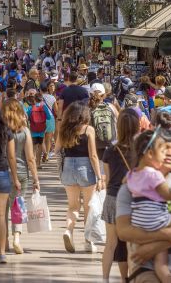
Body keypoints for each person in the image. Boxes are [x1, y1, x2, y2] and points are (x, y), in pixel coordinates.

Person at [116, 120, 171, 283]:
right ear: (151, 153)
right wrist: (167, 234)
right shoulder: (130, 187)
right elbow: (123, 231)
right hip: (142, 269)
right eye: (165, 149)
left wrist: (152, 247)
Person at [55, 101, 103, 253]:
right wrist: (99, 176)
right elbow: (93, 155)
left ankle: (68, 231)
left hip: (68, 167)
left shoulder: (64, 130)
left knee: (73, 206)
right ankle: (88, 242)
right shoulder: (88, 130)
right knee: (88, 206)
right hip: (86, 168)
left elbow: (56, 150)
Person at [101, 109, 139, 282]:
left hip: (112, 197)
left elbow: (108, 179)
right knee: (131, 244)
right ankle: (132, 278)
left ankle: (105, 279)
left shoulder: (110, 150)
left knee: (110, 244)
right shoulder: (141, 150)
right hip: (132, 200)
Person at [1, 98, 40, 255]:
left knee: (2, 209)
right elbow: (30, 157)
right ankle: (16, 238)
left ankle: (3, 241)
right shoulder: (24, 131)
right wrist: (36, 179)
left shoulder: (1, 130)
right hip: (22, 172)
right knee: (18, 206)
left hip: (2, 172)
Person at [25, 92, 53, 167]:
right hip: (42, 129)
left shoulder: (31, 107)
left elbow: (27, 117)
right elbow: (49, 117)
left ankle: (33, 163)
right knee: (40, 145)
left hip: (33, 129)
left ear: (34, 99)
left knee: (34, 146)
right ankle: (38, 163)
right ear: (41, 99)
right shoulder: (44, 107)